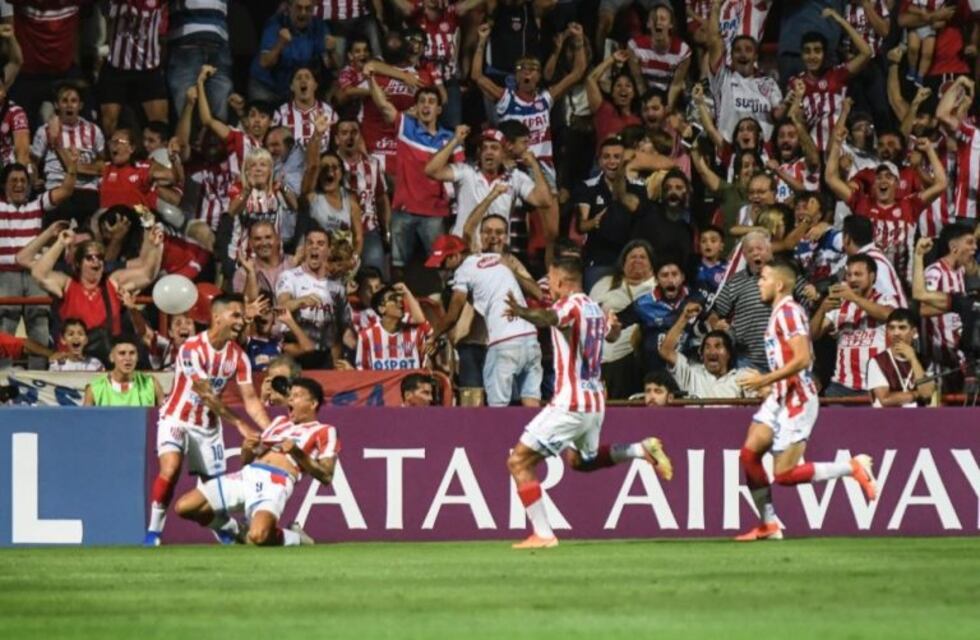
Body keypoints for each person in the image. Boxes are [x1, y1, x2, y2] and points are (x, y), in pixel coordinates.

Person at [503, 256, 672, 549]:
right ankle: (640, 449)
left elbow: (550, 318)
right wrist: (615, 328)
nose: (549, 287)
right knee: (580, 461)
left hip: (571, 402)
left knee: (518, 462)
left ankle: (543, 534)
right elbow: (613, 334)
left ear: (559, 280)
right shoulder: (595, 308)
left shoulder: (569, 305)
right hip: (594, 403)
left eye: (550, 279)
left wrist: (521, 311)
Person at [735, 258, 877, 542]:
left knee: (784, 475)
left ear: (779, 284)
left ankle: (852, 467)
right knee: (749, 455)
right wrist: (771, 385)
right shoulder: (778, 313)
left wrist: (764, 380)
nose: (758, 283)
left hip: (797, 399)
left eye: (763, 278)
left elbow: (803, 358)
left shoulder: (788, 312)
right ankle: (769, 524)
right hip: (780, 396)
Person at [144, 293, 270, 546]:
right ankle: (153, 534)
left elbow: (251, 399)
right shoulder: (191, 348)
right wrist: (241, 424)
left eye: (242, 317)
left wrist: (271, 429)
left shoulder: (238, 357)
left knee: (213, 496)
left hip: (208, 429)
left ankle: (226, 527)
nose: (242, 322)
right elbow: (206, 393)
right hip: (176, 417)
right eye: (235, 315)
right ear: (216, 317)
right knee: (170, 468)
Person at [174, 377, 334, 546]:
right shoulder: (279, 422)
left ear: (313, 403)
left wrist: (296, 452)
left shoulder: (324, 431)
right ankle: (235, 530)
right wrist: (247, 449)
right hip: (248, 474)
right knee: (184, 507)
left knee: (258, 536)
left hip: (276, 481)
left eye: (297, 395)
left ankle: (296, 538)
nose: (291, 398)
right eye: (291, 395)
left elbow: (326, 476)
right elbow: (247, 461)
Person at [428, 234, 543, 407]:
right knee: (531, 402)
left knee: (497, 408)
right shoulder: (497, 258)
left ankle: (500, 435)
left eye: (443, 263)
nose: (441, 269)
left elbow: (453, 316)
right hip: (530, 338)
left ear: (455, 256)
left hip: (504, 342)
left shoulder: (463, 271)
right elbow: (538, 293)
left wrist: (432, 336)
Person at [1, 158, 78, 369]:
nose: (19, 185)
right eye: (13, 180)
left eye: (23, 180)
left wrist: (72, 166)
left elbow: (66, 190)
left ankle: (40, 375)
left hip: (36, 274)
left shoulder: (38, 204)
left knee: (40, 325)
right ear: (4, 184)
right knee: (5, 326)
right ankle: (2, 376)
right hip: (5, 275)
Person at [811, 254, 898, 397]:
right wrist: (821, 309)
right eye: (849, 275)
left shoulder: (885, 299)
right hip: (840, 385)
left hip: (875, 386)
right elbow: (813, 335)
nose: (852, 279)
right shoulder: (839, 305)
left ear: (872, 276)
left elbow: (890, 315)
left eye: (858, 274)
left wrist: (855, 298)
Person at [276, 228, 352, 369]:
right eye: (310, 243)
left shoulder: (337, 288)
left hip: (324, 357)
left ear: (329, 250)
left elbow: (340, 331)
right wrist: (300, 302)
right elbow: (281, 307)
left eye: (320, 243)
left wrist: (337, 364)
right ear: (304, 248)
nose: (314, 246)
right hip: (295, 353)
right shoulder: (289, 277)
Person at [913, 227, 978, 374]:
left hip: (959, 353)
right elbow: (922, 308)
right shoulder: (935, 272)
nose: (975, 247)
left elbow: (974, 270)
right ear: (953, 247)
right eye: (969, 243)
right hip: (940, 359)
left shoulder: (960, 271)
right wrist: (959, 305)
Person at [659, 302, 753, 399]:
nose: (712, 351)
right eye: (707, 347)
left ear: (728, 353)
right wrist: (685, 317)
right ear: (701, 354)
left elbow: (763, 396)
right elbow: (666, 352)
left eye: (718, 346)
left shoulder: (741, 377)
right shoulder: (691, 374)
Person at [867, 308, 935, 408]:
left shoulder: (926, 362)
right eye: (891, 328)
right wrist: (916, 394)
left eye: (902, 328)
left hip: (917, 419)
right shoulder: (877, 361)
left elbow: (927, 393)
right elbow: (886, 399)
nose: (896, 333)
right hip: (887, 419)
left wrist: (913, 359)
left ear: (914, 332)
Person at [355, 285, 432, 370]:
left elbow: (425, 327)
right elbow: (362, 370)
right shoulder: (366, 336)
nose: (400, 302)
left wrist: (407, 292)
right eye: (393, 299)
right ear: (381, 309)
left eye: (400, 299)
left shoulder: (416, 332)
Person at [82, 335, 164, 407]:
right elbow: (86, 421)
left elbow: (166, 418)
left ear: (137, 357)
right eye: (122, 353)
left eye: (132, 353)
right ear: (111, 357)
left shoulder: (151, 384)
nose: (128, 358)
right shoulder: (94, 389)